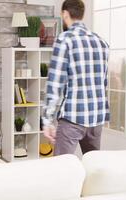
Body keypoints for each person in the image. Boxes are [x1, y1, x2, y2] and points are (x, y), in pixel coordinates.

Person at [42, 0, 110, 155]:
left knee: (62, 169)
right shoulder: (102, 42)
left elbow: (55, 84)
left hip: (72, 117)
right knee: (93, 167)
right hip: (97, 118)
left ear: (65, 14)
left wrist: (47, 120)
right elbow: (102, 82)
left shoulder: (65, 39)